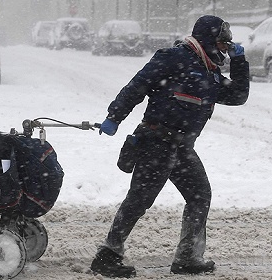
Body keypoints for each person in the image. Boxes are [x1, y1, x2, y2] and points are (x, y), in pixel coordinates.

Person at [89, 15, 250, 278]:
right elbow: (136, 87)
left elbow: (238, 96)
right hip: (156, 142)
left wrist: (240, 62)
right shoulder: (172, 58)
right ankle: (107, 256)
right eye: (222, 44)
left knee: (200, 196)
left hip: (183, 147)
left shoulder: (210, 73)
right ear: (209, 40)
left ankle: (187, 258)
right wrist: (113, 118)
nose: (225, 49)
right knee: (139, 200)